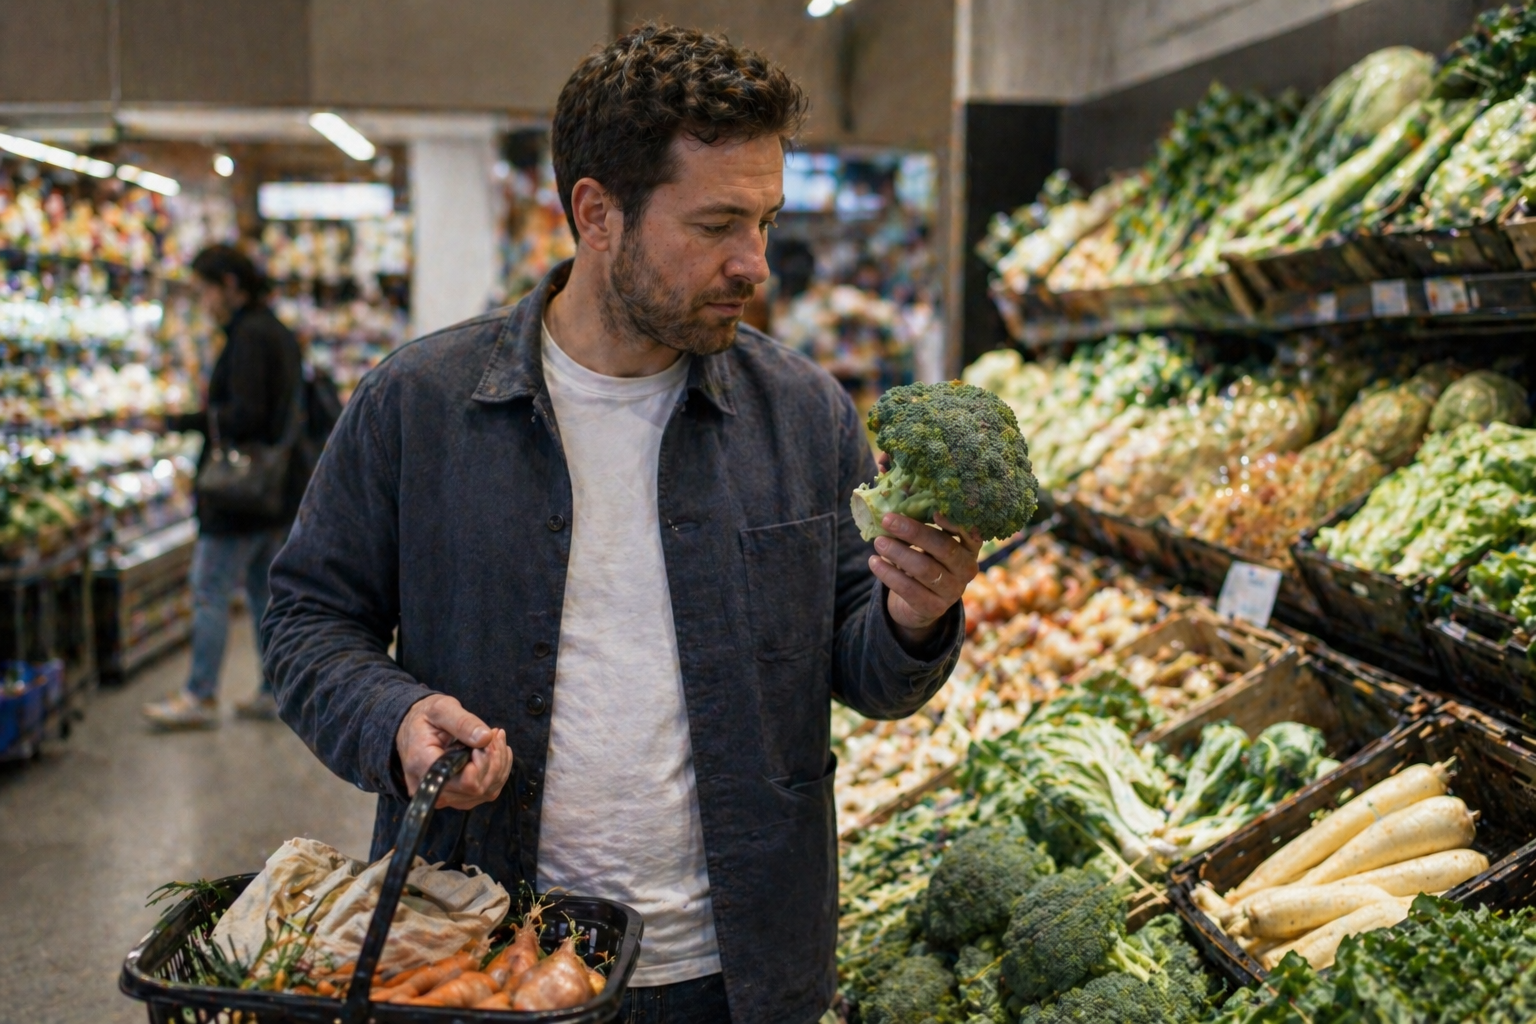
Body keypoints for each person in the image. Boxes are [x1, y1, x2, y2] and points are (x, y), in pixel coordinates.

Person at [262, 24, 976, 1024]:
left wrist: (914, 615)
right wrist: (395, 723)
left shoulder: (806, 415)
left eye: (766, 221)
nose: (755, 263)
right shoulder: (421, 405)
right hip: (485, 957)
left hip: (741, 969)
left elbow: (864, 666)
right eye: (718, 223)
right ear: (595, 213)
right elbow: (303, 621)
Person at [143, 245, 302, 729]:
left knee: (210, 588)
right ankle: (274, 692)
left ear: (230, 284)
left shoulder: (249, 336)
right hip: (273, 490)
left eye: (206, 290)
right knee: (261, 593)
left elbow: (246, 414)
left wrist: (185, 420)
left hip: (239, 494)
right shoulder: (276, 330)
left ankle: (200, 694)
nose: (205, 301)